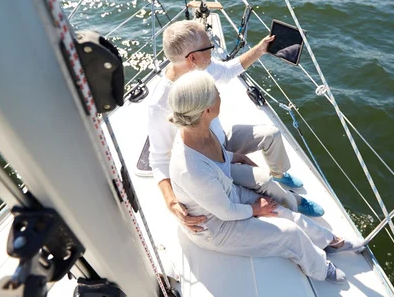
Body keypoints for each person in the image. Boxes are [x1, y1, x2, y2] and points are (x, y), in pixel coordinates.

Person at [168, 71, 361, 284]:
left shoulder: (198, 130)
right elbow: (226, 212)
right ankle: (320, 269)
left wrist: (236, 156)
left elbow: (218, 160)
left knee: (284, 213)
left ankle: (330, 241)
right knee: (289, 232)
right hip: (215, 227)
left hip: (227, 195)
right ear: (206, 110)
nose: (220, 95)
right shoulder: (192, 169)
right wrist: (256, 210)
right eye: (216, 94)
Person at [148, 20, 324, 233]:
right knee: (263, 182)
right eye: (210, 47)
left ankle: (279, 174)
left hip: (222, 141)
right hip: (208, 162)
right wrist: (171, 202)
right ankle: (290, 200)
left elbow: (230, 70)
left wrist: (261, 49)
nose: (213, 50)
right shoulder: (160, 105)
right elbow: (158, 159)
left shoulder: (202, 66)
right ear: (192, 58)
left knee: (272, 135)